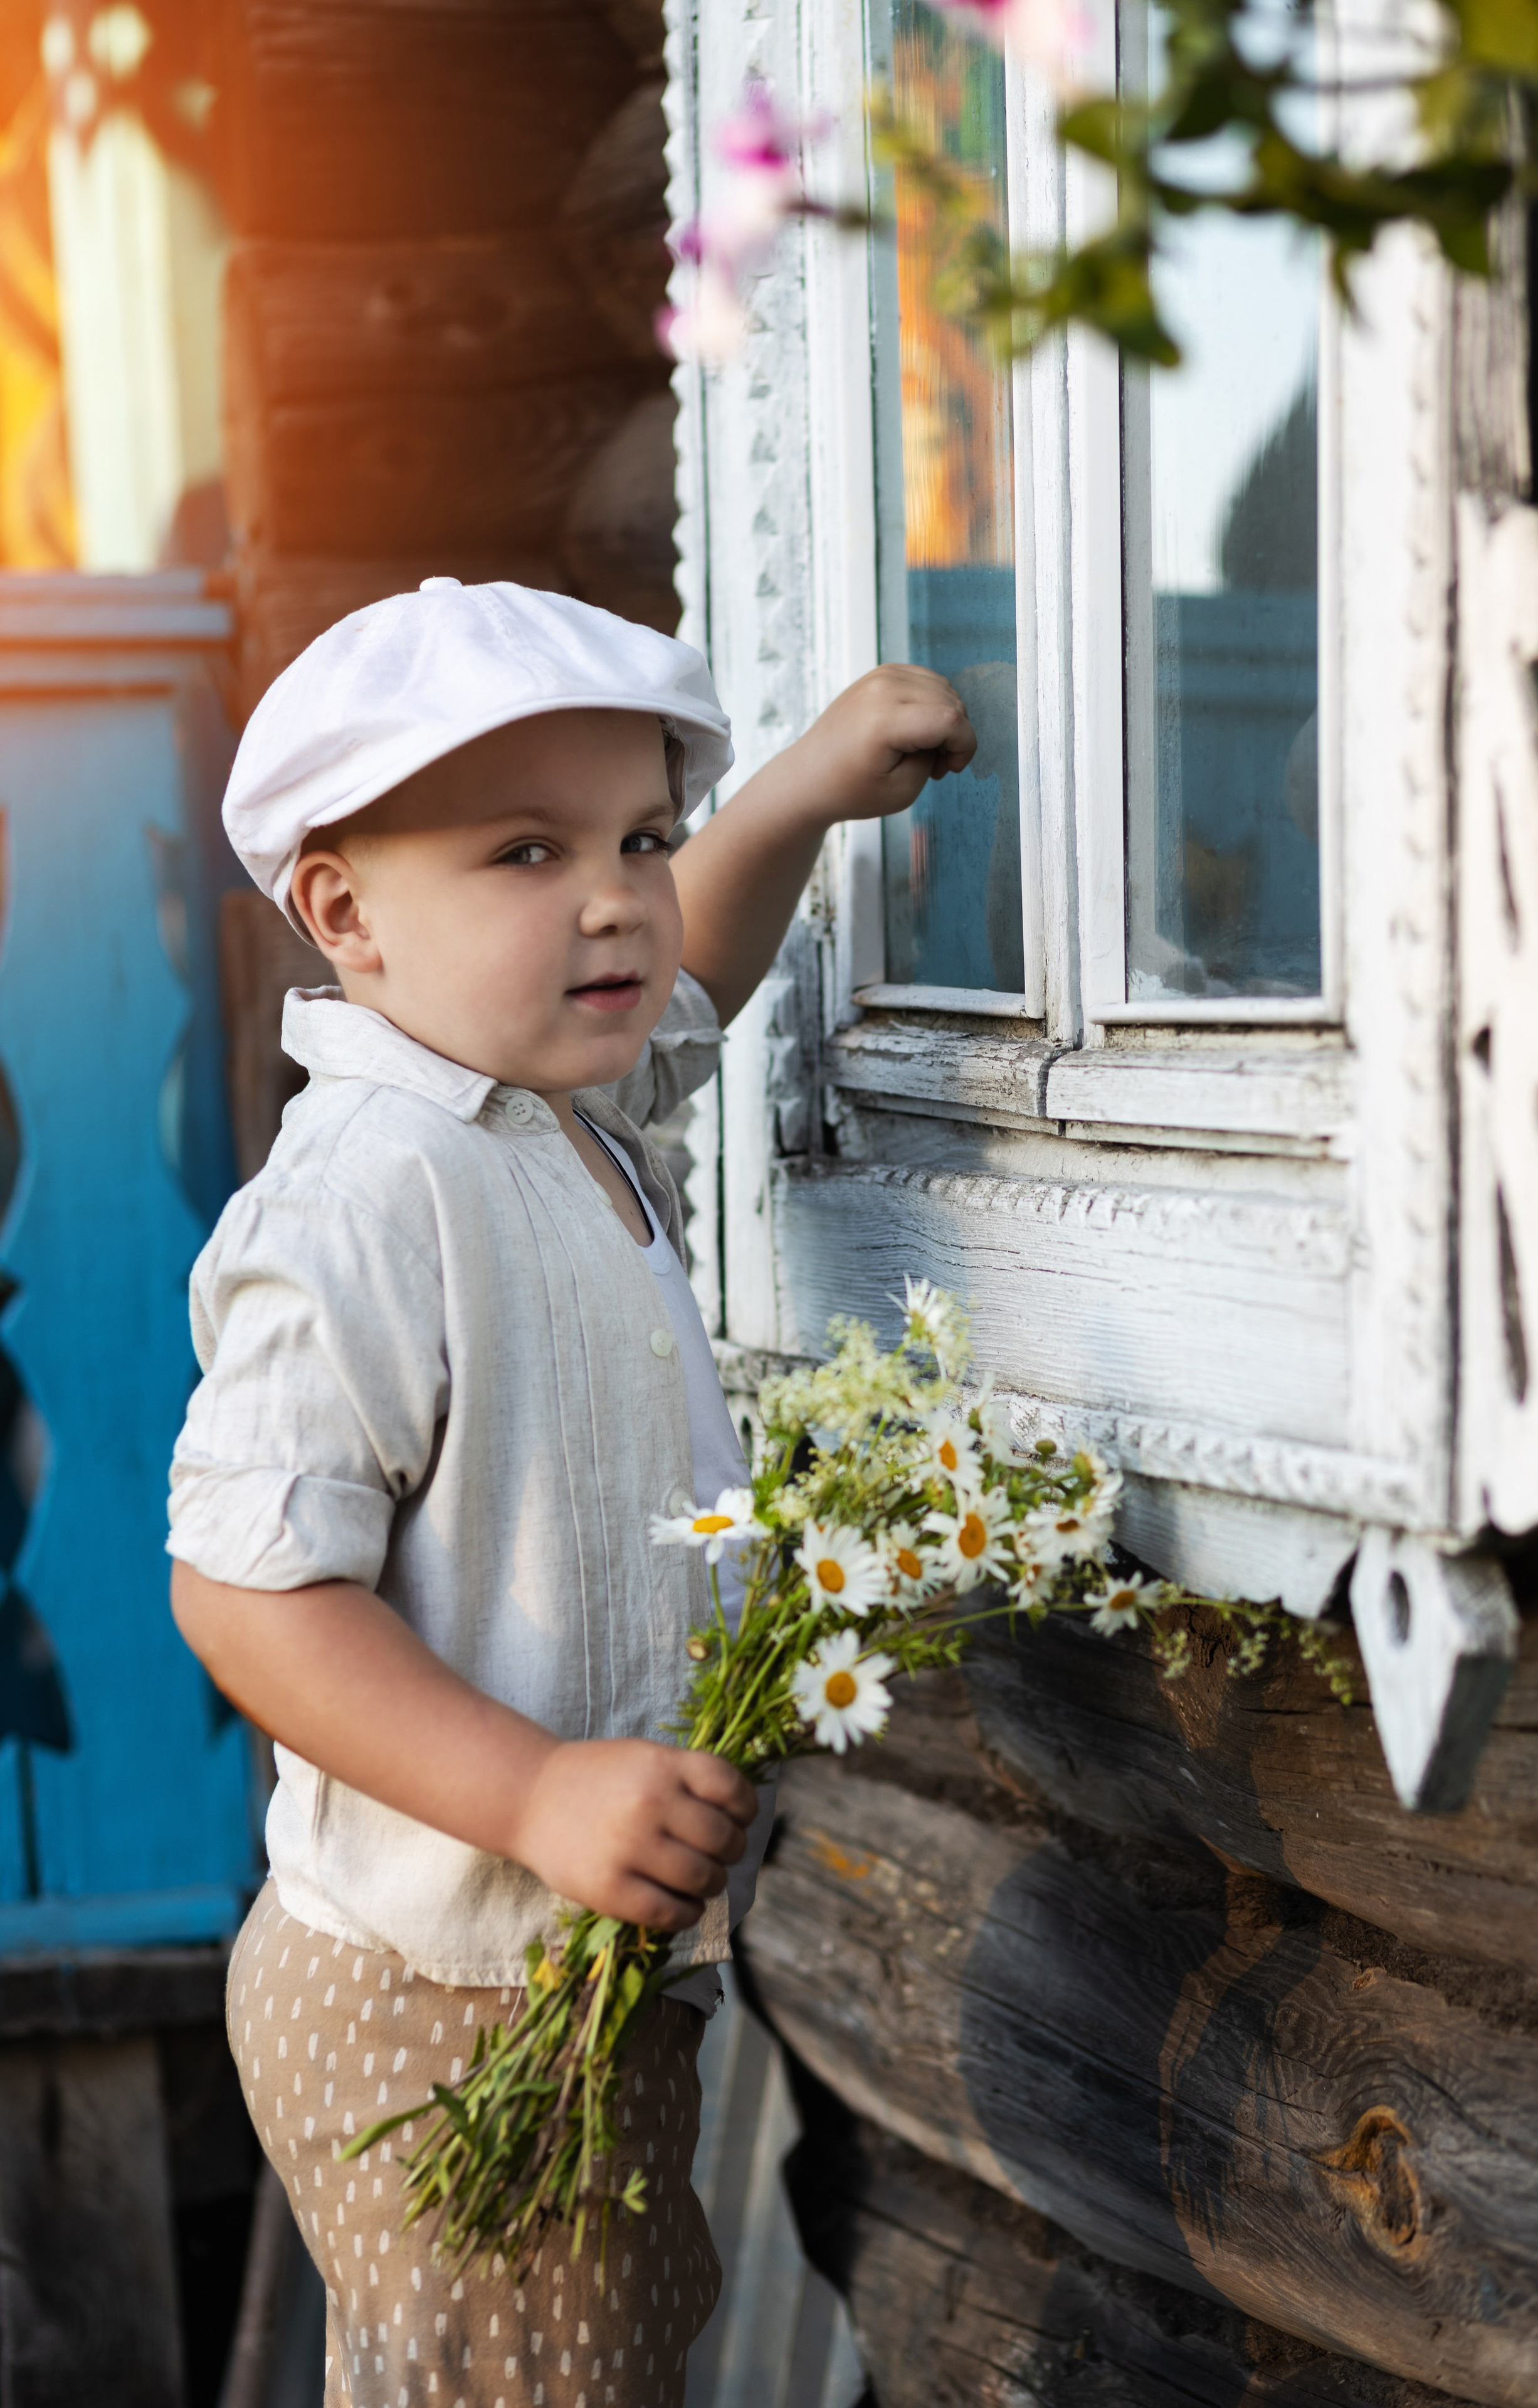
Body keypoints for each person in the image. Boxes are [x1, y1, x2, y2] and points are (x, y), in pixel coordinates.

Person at [168, 578, 974, 2408]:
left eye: (643, 836)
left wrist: (806, 790)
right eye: (525, 851)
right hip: (432, 2000)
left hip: (540, 1978)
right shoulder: (373, 1186)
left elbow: (695, 980)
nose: (613, 896)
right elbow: (243, 1588)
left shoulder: (546, 1099)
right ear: (345, 913)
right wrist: (531, 1790)